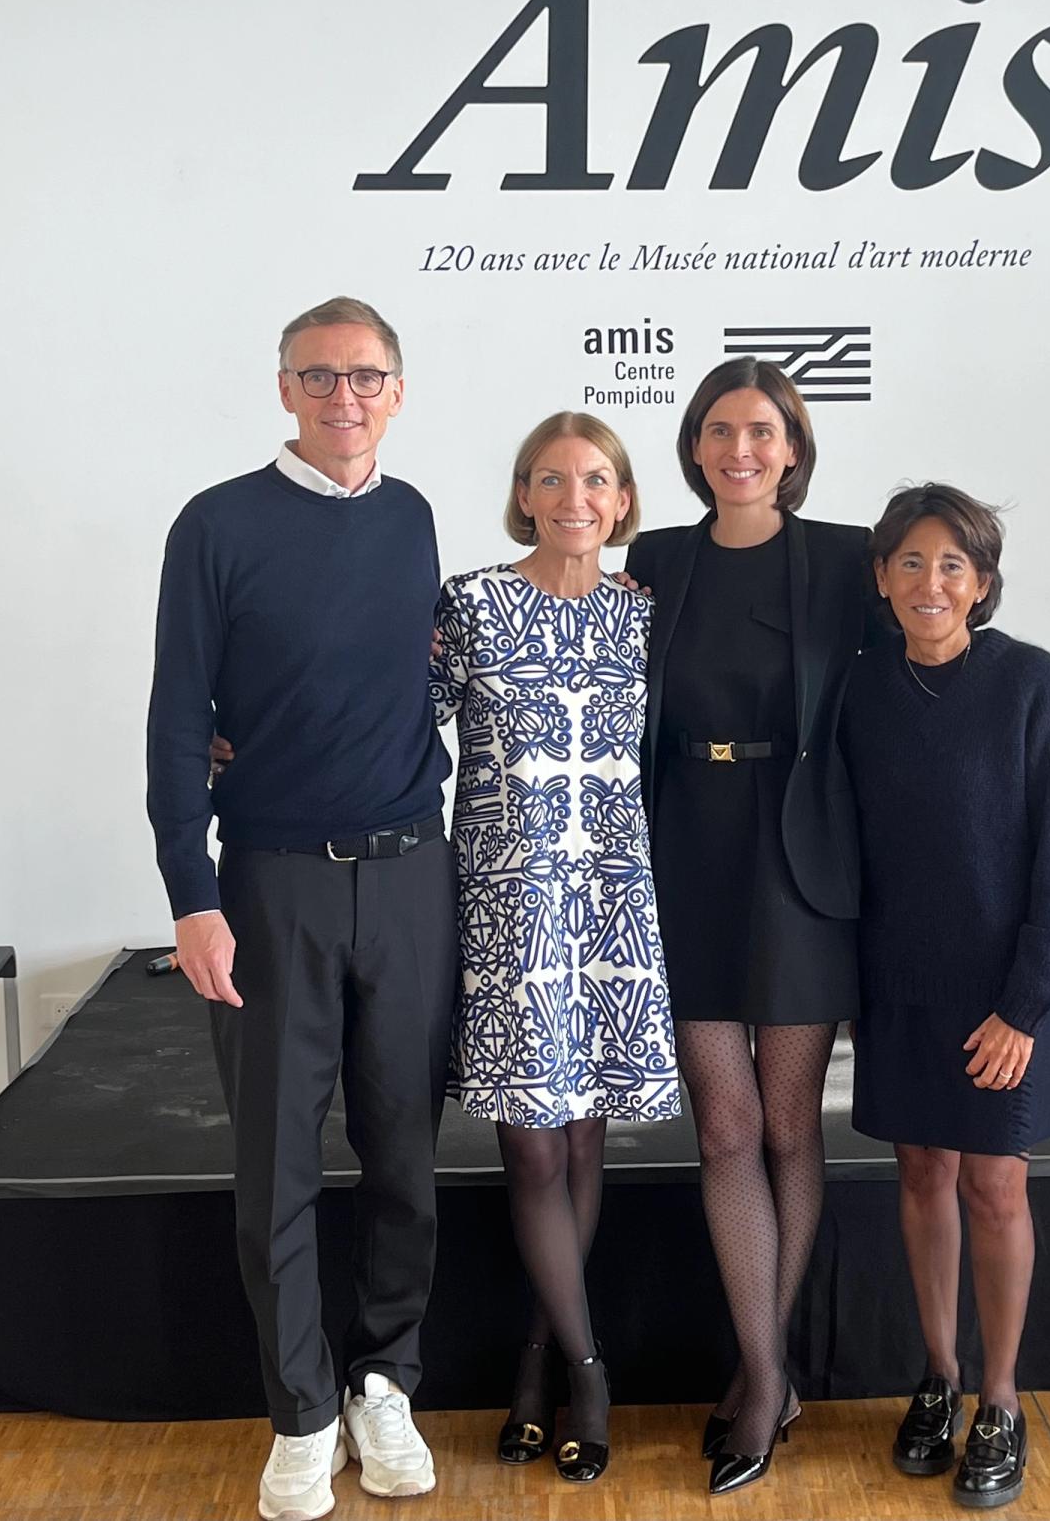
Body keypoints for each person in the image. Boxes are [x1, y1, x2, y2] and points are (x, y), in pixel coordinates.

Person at [624, 357, 1050, 1497]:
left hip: (800, 864)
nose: (742, 449)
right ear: (695, 446)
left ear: (794, 448)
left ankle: (830, 1377)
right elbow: (583, 653)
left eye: (764, 431)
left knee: (791, 1126)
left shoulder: (844, 556)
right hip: (689, 854)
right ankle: (766, 1372)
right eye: (721, 429)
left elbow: (942, 648)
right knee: (726, 1129)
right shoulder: (657, 560)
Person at [147, 297, 457, 1521]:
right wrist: (192, 894)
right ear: (284, 388)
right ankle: (301, 1414)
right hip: (272, 884)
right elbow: (180, 717)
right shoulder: (216, 524)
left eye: (366, 376)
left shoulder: (415, 517)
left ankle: (384, 1382)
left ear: (398, 391)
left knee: (405, 1156)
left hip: (412, 875)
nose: (344, 397)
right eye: (319, 376)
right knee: (275, 1162)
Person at [429, 413, 681, 1484]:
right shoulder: (472, 604)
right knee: (533, 1149)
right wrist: (246, 740)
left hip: (611, 897)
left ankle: (536, 1366)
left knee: (583, 1145)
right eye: (550, 479)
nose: (574, 498)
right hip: (510, 905)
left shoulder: (644, 614)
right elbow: (393, 719)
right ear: (523, 496)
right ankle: (589, 1373)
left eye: (594, 480)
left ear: (622, 501)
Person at [841, 484, 1050, 1509]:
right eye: (910, 561)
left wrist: (1025, 1009)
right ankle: (939, 1378)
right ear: (881, 578)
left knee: (994, 1186)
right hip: (901, 986)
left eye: (953, 565)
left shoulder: (1030, 681)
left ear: (983, 583)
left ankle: (1000, 1399)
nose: (930, 582)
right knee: (922, 1175)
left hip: (1005, 998)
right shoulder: (859, 687)